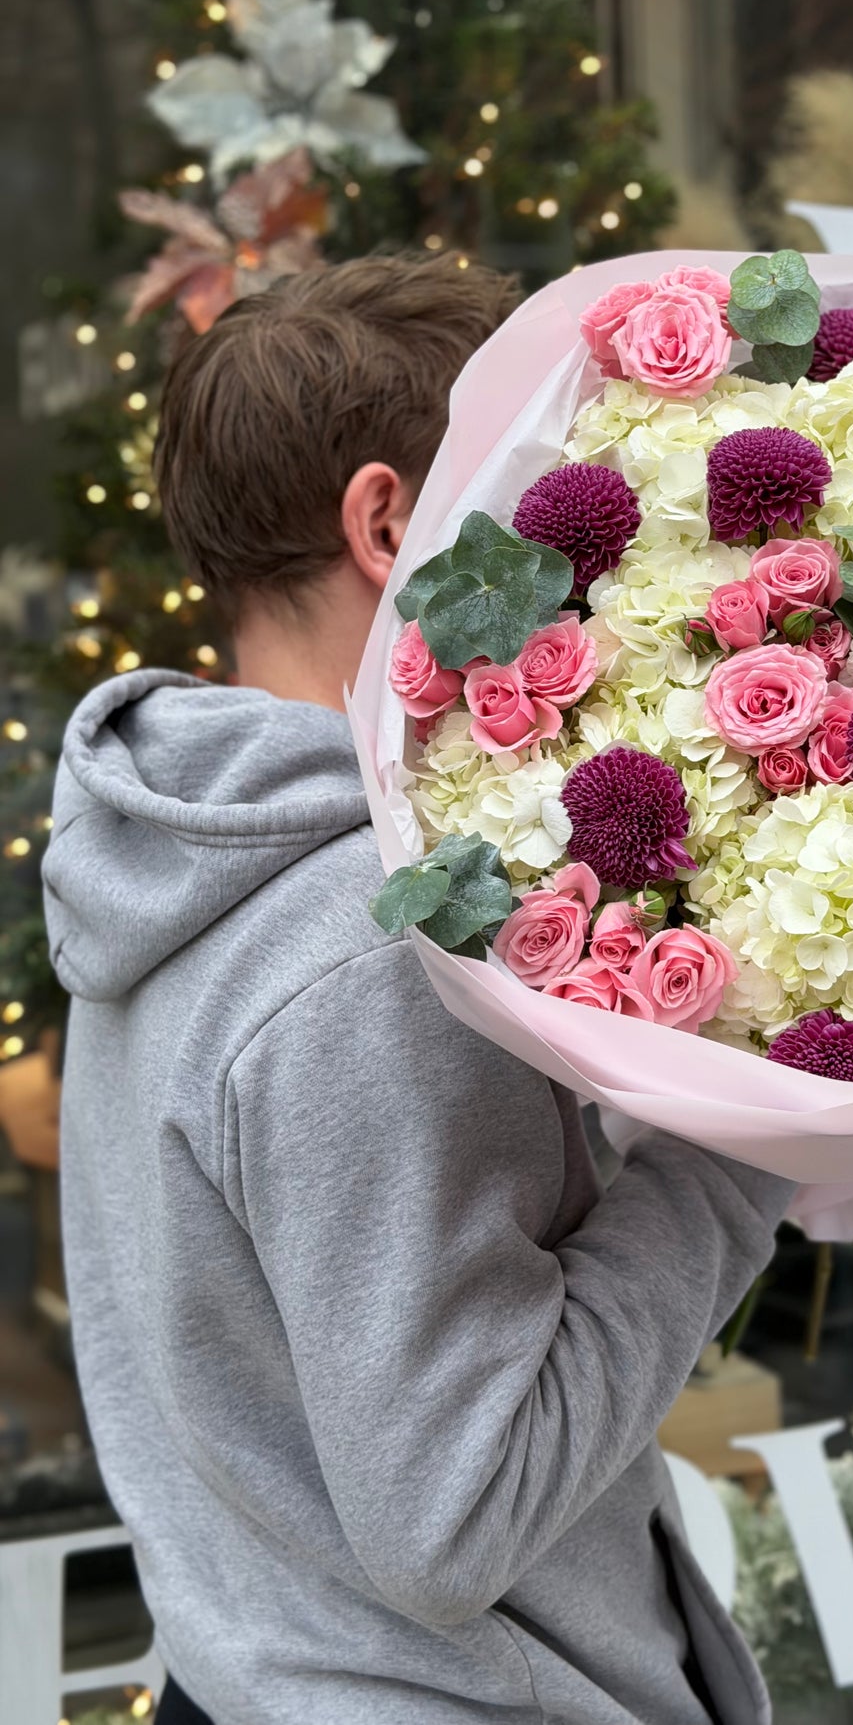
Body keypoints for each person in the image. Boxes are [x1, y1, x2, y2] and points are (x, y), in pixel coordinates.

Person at [43, 255, 794, 1725]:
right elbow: (454, 1513)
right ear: (388, 524)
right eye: (536, 493)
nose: (590, 557)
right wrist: (745, 1137)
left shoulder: (164, 851)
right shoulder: (368, 947)